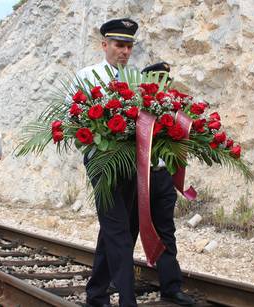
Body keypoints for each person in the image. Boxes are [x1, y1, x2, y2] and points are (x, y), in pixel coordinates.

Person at [76, 18, 139, 307]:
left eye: (128, 46)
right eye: (119, 45)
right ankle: (128, 300)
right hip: (102, 163)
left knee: (117, 227)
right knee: (119, 231)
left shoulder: (136, 78)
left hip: (131, 163)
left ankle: (96, 292)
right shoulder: (87, 76)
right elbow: (74, 119)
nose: (124, 51)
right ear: (104, 45)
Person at [128, 62, 195, 306]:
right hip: (137, 179)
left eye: (165, 80)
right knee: (129, 230)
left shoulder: (173, 109)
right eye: (158, 79)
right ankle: (120, 281)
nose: (162, 84)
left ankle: (171, 287)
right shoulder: (133, 107)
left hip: (163, 178)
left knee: (166, 231)